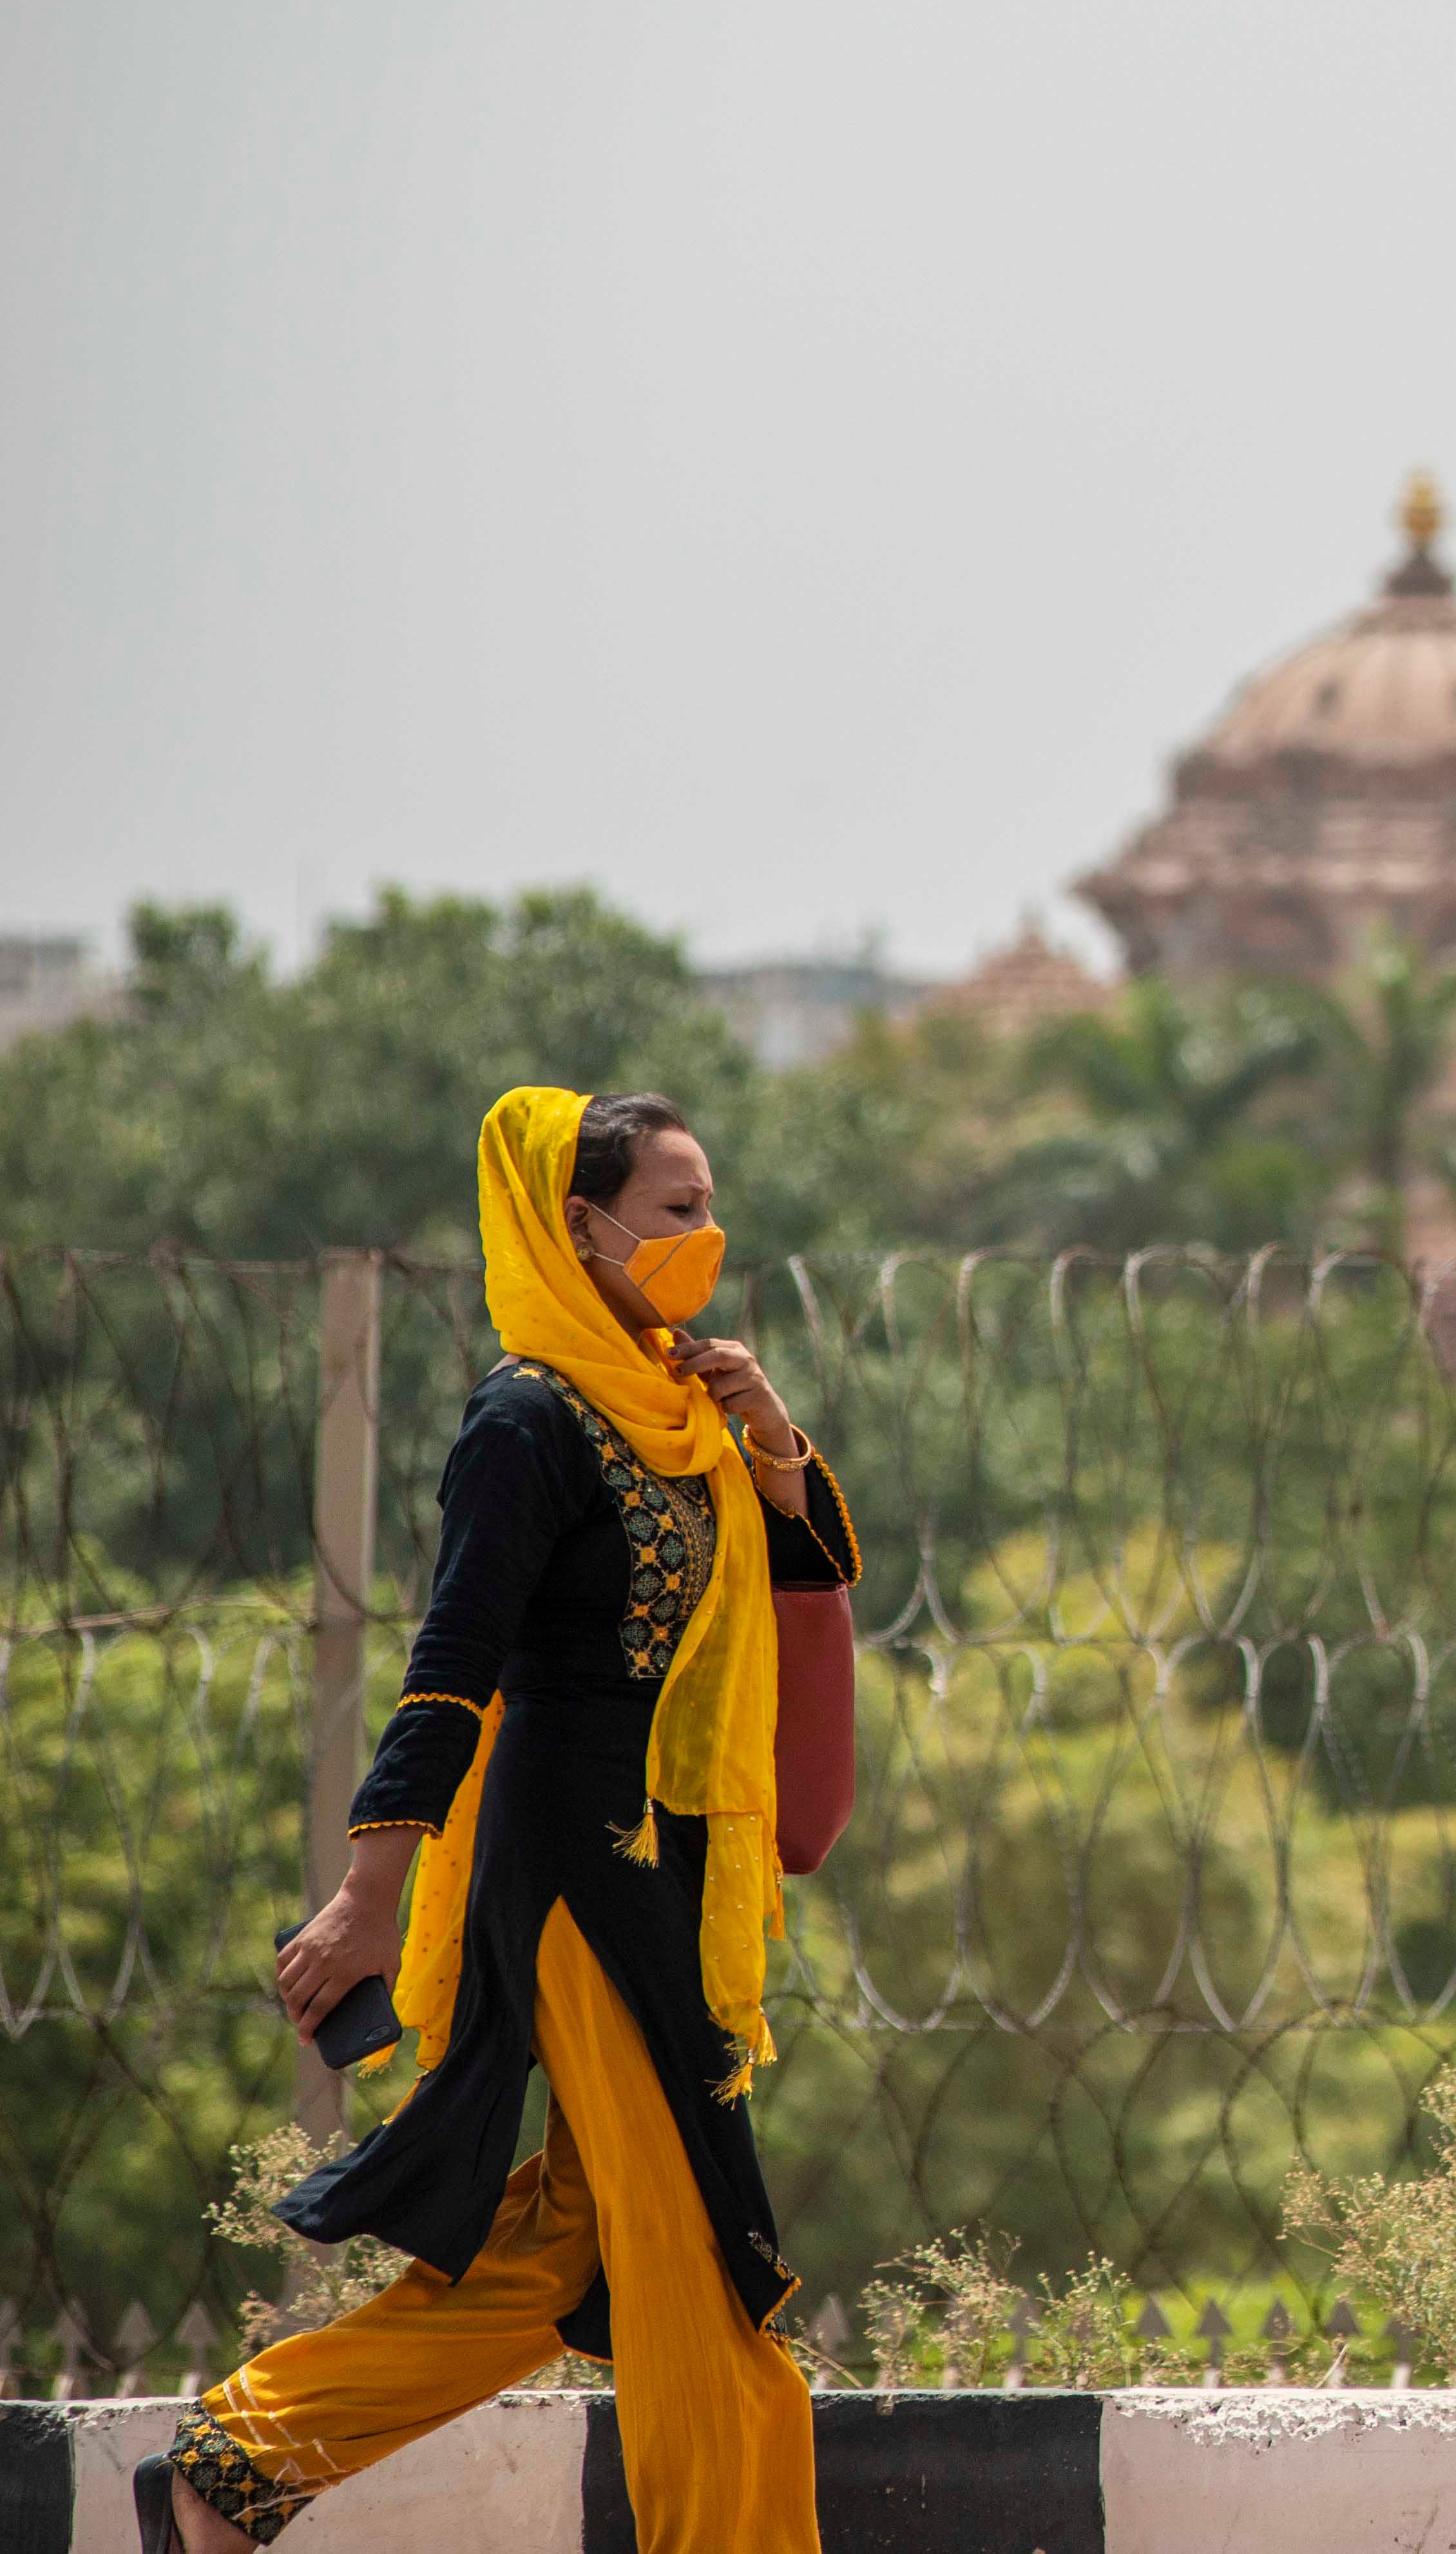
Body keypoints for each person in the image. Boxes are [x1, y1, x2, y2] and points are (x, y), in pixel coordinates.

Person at [140, 1089, 857, 2554]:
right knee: (701, 2265)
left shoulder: (683, 1406)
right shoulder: (526, 1419)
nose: (701, 1239)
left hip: (680, 1869)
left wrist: (776, 1445)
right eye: (672, 1211)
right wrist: (367, 1889)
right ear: (574, 1225)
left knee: (566, 2244)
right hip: (577, 1873)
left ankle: (236, 2463)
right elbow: (454, 1659)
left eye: (710, 1208)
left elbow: (799, 1590)